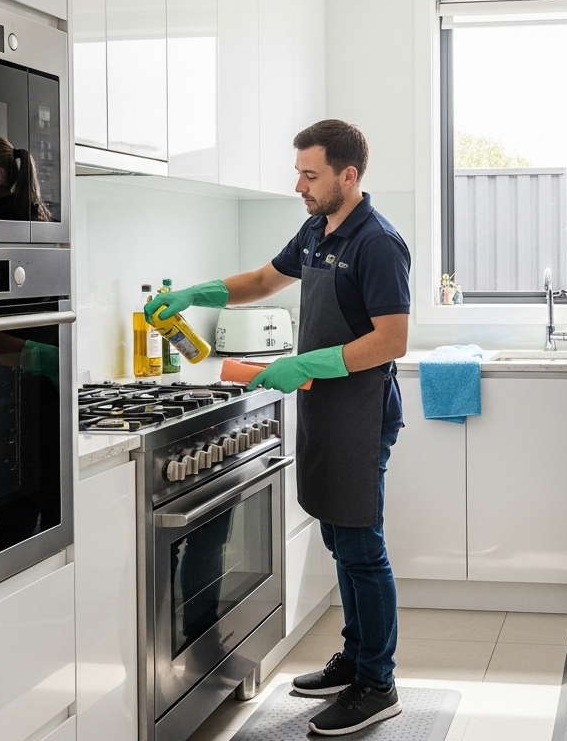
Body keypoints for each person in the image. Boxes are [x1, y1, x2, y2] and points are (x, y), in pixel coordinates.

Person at [145, 119, 410, 736]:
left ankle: (380, 682)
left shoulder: (378, 243)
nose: (300, 184)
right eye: (299, 172)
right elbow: (266, 280)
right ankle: (355, 658)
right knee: (341, 540)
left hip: (362, 412)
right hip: (325, 410)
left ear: (348, 175)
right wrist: (197, 293)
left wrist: (306, 362)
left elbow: (392, 339)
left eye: (310, 174)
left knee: (363, 547)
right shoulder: (318, 229)